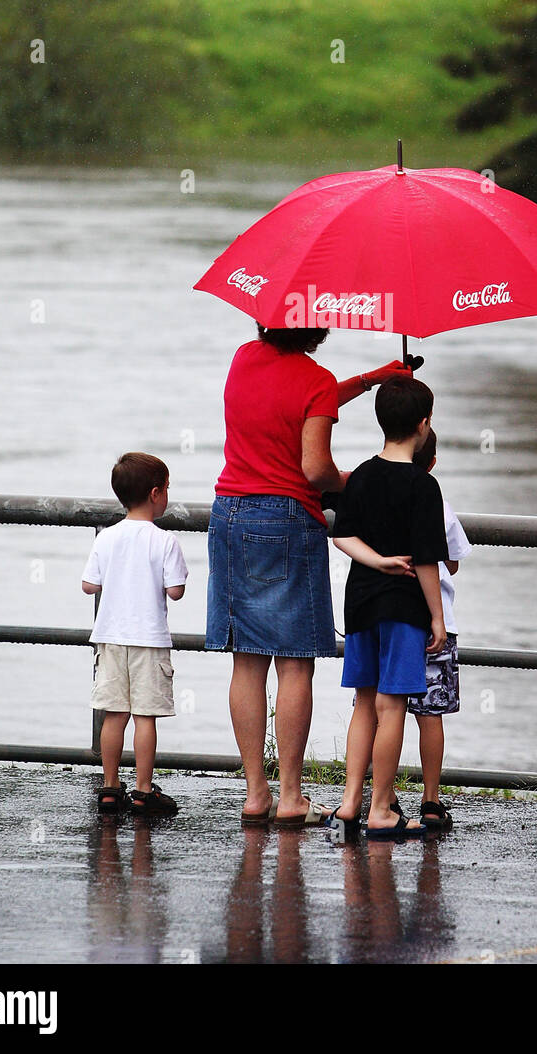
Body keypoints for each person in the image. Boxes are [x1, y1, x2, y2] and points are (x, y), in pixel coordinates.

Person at [205, 323, 413, 828]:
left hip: (229, 513)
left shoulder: (242, 357)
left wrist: (370, 380)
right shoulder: (314, 380)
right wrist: (357, 481)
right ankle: (292, 795)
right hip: (285, 520)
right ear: (315, 326)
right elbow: (315, 468)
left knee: (247, 661)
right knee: (295, 662)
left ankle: (256, 793)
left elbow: (300, 399)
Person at [331, 377, 448, 838]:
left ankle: (348, 802)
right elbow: (426, 560)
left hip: (360, 601)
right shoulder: (423, 485)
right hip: (402, 607)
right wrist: (437, 617)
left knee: (364, 702)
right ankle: (381, 808)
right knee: (391, 703)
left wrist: (375, 560)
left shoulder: (360, 474)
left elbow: (341, 535)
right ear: (423, 425)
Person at [82, 452, 187, 817]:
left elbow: (88, 584)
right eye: (168, 488)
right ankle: (143, 791)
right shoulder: (165, 541)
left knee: (114, 715)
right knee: (145, 718)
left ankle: (110, 787)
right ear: (156, 493)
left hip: (110, 637)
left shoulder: (106, 538)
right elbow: (175, 590)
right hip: (150, 640)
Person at [407, 427, 470, 829]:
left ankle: (383, 795)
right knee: (431, 715)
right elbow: (454, 561)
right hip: (435, 622)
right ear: (432, 463)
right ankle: (430, 800)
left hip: (387, 617)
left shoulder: (379, 493)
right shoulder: (437, 501)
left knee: (380, 710)